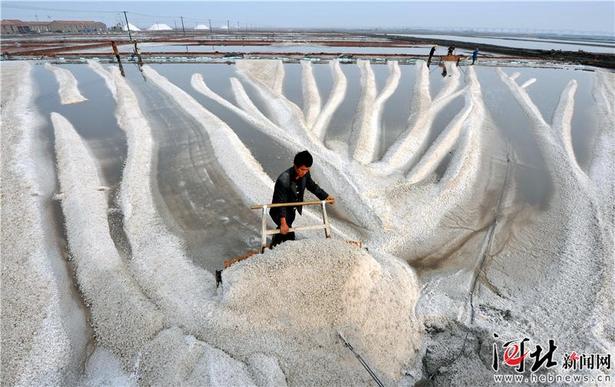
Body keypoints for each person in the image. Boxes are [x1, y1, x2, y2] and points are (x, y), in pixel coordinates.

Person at [269, 150, 334, 248]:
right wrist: (283, 222)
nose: (304, 172)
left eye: (307, 169)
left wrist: (325, 196)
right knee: (287, 233)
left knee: (285, 232)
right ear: (295, 165)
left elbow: (312, 186)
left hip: (291, 210)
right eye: (302, 169)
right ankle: (276, 249)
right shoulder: (284, 179)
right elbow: (281, 203)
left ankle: (274, 246)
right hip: (279, 211)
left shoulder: (305, 173)